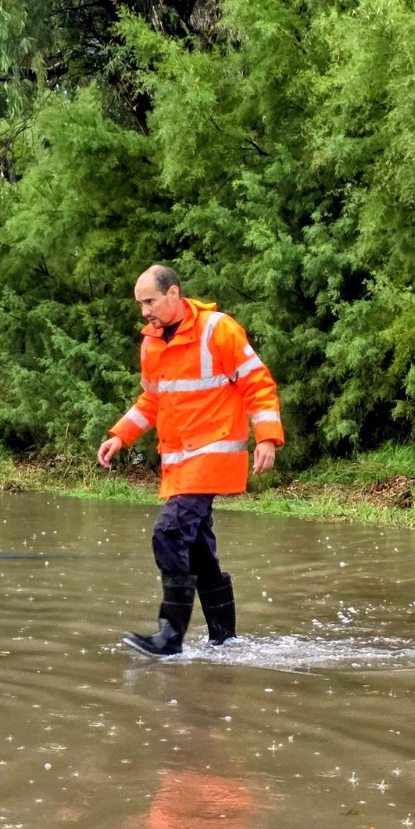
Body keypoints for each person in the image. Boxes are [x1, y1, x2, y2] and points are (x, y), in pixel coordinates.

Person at [97, 265, 284, 655]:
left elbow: (257, 382)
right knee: (198, 550)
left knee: (168, 534)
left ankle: (170, 637)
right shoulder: (151, 344)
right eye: (140, 303)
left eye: (149, 301)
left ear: (174, 294)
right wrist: (119, 435)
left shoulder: (218, 329)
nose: (144, 311)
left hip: (212, 457)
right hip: (179, 464)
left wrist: (267, 436)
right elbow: (152, 400)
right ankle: (225, 640)